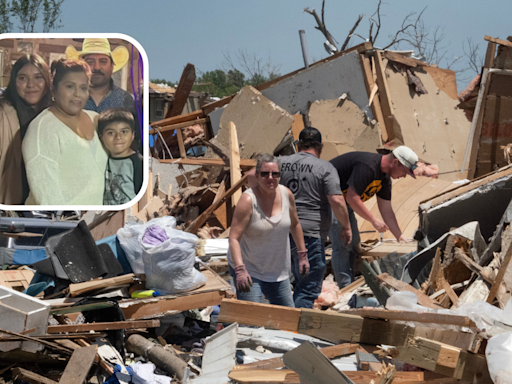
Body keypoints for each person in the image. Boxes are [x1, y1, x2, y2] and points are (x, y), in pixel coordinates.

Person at [277, 127, 353, 308]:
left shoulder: (279, 163)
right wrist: (347, 225)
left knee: (283, 284)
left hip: (280, 232)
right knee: (308, 287)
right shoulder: (325, 168)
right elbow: (336, 199)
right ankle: (296, 331)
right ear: (320, 147)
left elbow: (255, 181)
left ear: (299, 144)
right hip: (309, 234)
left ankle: (281, 323)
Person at [329, 146, 419, 288]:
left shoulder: (385, 178)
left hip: (343, 204)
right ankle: (345, 288)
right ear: (396, 162)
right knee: (343, 245)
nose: (404, 175)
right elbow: (353, 197)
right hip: (327, 201)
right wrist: (373, 220)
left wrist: (399, 236)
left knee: (354, 244)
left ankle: (348, 284)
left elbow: (386, 210)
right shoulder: (368, 166)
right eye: (405, 171)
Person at [22, 59, 108, 205]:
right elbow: (48, 199)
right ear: (54, 89)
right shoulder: (42, 129)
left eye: (83, 88)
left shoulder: (97, 119)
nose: (77, 94)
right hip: (69, 220)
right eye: (70, 86)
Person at [228, 153, 309, 307]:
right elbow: (233, 238)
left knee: (287, 318)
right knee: (251, 321)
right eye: (265, 174)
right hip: (249, 268)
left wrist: (302, 255)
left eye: (275, 174)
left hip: (277, 270)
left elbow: (295, 224)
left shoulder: (287, 195)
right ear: (257, 176)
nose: (270, 177)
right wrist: (240, 270)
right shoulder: (247, 201)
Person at [65, 38, 140, 146]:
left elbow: (136, 142)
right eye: (90, 62)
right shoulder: (69, 99)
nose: (96, 67)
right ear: (82, 66)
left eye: (103, 61)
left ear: (112, 66)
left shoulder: (126, 100)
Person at [0, 54, 51, 204]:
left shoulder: (54, 114)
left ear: (47, 81)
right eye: (22, 78)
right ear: (14, 82)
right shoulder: (3, 113)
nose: (31, 84)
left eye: (38, 77)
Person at [98, 108, 143, 205]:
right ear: (101, 136)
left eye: (124, 132)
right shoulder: (103, 158)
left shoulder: (138, 163)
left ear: (133, 135)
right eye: (111, 133)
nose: (118, 137)